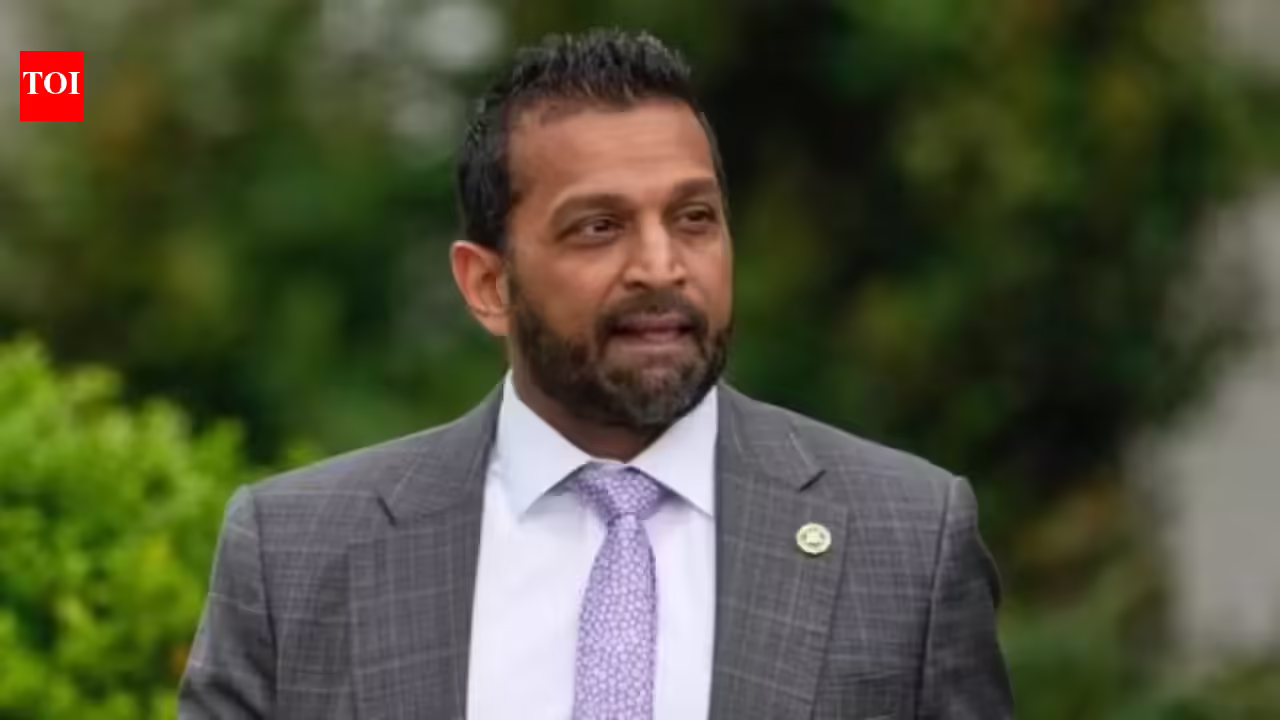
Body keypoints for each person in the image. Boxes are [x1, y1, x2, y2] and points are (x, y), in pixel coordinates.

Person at [178, 28, 1013, 720]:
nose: (661, 266)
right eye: (599, 227)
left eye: (694, 218)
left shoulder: (907, 539)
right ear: (488, 285)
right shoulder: (296, 554)